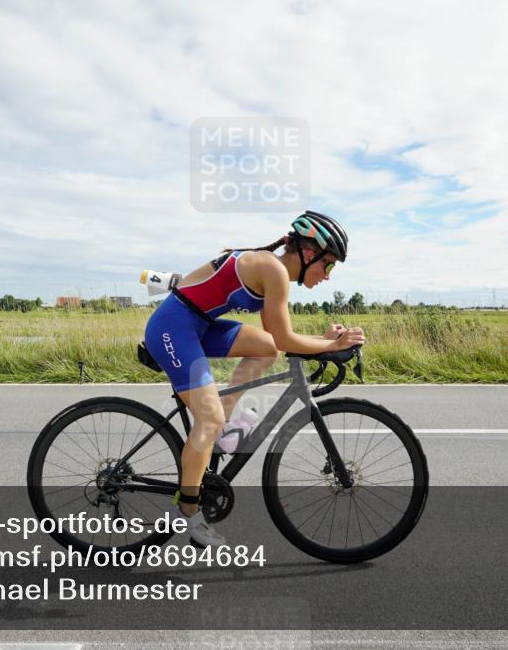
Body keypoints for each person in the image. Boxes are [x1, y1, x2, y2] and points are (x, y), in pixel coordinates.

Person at [143, 210, 366, 547]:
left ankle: (221, 428)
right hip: (173, 328)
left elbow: (277, 338)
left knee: (265, 349)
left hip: (196, 325)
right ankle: (188, 512)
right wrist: (331, 344)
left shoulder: (273, 271)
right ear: (308, 253)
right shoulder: (272, 269)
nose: (329, 275)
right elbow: (286, 338)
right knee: (209, 417)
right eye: (329, 264)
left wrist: (324, 342)